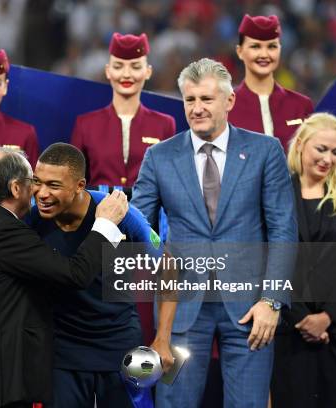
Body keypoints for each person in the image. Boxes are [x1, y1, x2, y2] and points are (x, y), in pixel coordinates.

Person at [131, 58, 297, 407]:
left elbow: (283, 229)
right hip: (180, 311)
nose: (197, 108)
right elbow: (139, 228)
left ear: (229, 101)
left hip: (251, 307)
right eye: (190, 100)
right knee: (174, 403)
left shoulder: (265, 151)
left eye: (206, 99)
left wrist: (272, 300)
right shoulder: (159, 157)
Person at [0, 147, 129, 407]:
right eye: (33, 181)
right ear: (15, 188)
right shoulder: (6, 231)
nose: (39, 191)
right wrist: (105, 224)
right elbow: (75, 274)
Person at [27, 142, 176, 407]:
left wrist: (163, 338)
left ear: (80, 186)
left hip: (119, 346)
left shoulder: (120, 214)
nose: (42, 193)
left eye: (54, 185)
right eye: (37, 182)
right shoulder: (31, 217)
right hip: (62, 351)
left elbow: (169, 268)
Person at [271, 112, 336, 407]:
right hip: (290, 330)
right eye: (321, 149)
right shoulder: (276, 196)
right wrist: (302, 319)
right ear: (302, 144)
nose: (328, 159)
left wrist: (327, 317)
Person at [70, 32, 176, 189]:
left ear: (148, 72)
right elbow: (73, 184)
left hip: (146, 213)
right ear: (108, 71)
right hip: (98, 211)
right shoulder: (85, 125)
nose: (126, 74)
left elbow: (170, 183)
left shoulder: (164, 124)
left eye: (135, 66)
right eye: (118, 66)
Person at [229, 14, 314, 151]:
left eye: (272, 47)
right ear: (240, 51)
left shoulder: (301, 106)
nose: (264, 54)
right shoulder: (225, 108)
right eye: (255, 46)